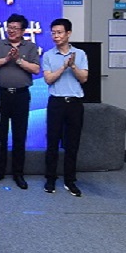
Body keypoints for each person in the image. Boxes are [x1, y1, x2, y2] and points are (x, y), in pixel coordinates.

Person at [0, 13, 40, 189]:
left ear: (23, 30)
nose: (11, 31)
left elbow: (36, 69)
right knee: (0, 136)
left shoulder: (30, 47)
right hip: (1, 95)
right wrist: (6, 59)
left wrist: (18, 60)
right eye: (9, 27)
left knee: (20, 135)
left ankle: (18, 173)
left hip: (21, 96)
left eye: (15, 28)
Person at [42, 18, 88, 197]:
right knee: (52, 142)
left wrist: (73, 65)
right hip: (56, 102)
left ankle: (70, 180)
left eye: (59, 32)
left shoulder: (80, 54)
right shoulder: (48, 55)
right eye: (53, 33)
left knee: (72, 143)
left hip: (75, 103)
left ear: (68, 33)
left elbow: (83, 78)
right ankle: (50, 179)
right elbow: (48, 79)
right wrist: (63, 66)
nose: (56, 36)